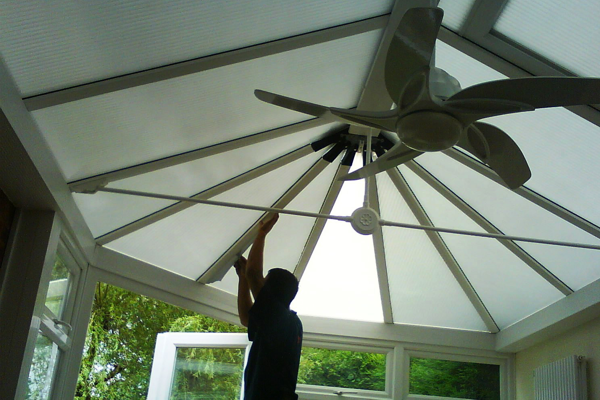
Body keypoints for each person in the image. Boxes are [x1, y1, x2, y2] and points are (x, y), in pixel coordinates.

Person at [234, 213, 303, 400]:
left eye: (265, 283)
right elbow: (246, 318)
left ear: (272, 291)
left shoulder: (282, 320)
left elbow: (253, 273)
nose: (260, 286)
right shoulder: (284, 323)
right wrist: (243, 279)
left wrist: (261, 234)